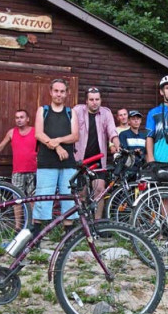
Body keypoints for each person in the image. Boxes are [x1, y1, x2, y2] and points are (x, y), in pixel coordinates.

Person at [33, 79, 79, 238]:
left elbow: (75, 136)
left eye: (62, 91)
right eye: (56, 91)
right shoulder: (42, 111)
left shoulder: (71, 112)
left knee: (68, 198)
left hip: (68, 163)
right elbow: (39, 133)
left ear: (67, 93)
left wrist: (58, 140)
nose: (59, 94)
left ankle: (68, 236)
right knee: (42, 197)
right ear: (51, 92)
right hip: (46, 163)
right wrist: (57, 147)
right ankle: (37, 235)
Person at [73, 87, 120, 220]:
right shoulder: (77, 111)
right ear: (86, 101)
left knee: (99, 189)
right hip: (80, 158)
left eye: (97, 99)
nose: (94, 102)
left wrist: (117, 144)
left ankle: (97, 222)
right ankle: (81, 223)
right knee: (81, 193)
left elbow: (112, 131)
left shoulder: (106, 113)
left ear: (101, 100)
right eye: (91, 99)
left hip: (98, 159)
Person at [0, 109, 37, 196]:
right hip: (18, 171)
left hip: (34, 171)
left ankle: (31, 211)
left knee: (33, 199)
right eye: (17, 118)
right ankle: (18, 211)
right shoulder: (12, 132)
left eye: (21, 117)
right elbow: (0, 147)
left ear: (28, 119)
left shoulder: (35, 132)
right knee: (17, 200)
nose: (19, 120)